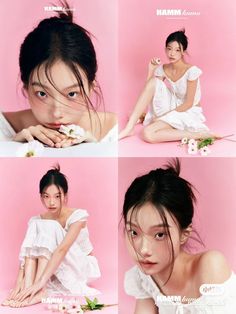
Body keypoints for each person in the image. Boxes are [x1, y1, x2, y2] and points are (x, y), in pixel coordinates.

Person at [122, 159, 236, 313]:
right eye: (134, 232)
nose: (143, 250)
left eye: (160, 234)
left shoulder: (210, 267)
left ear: (184, 234)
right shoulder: (143, 277)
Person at [0, 0, 117, 147]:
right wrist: (10, 146)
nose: (56, 113)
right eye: (42, 93)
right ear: (26, 88)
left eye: (72, 94)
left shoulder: (116, 131)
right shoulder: (3, 128)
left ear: (91, 88)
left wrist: (93, 149)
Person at [2, 165, 101, 308]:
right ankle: (27, 289)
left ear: (65, 196)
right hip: (54, 268)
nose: (51, 202)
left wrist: (41, 283)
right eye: (46, 196)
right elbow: (28, 250)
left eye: (57, 196)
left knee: (49, 225)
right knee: (36, 223)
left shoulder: (78, 216)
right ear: (41, 196)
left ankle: (39, 289)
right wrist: (19, 282)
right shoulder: (38, 220)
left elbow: (63, 249)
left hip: (82, 267)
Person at [119, 30, 217, 143]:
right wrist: (151, 70)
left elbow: (189, 103)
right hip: (172, 104)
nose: (172, 53)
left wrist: (164, 116)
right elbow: (151, 90)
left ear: (183, 52)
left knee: (147, 134)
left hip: (188, 110)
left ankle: (197, 134)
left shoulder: (191, 71)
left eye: (177, 50)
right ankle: (129, 128)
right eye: (169, 49)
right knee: (152, 84)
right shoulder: (164, 68)